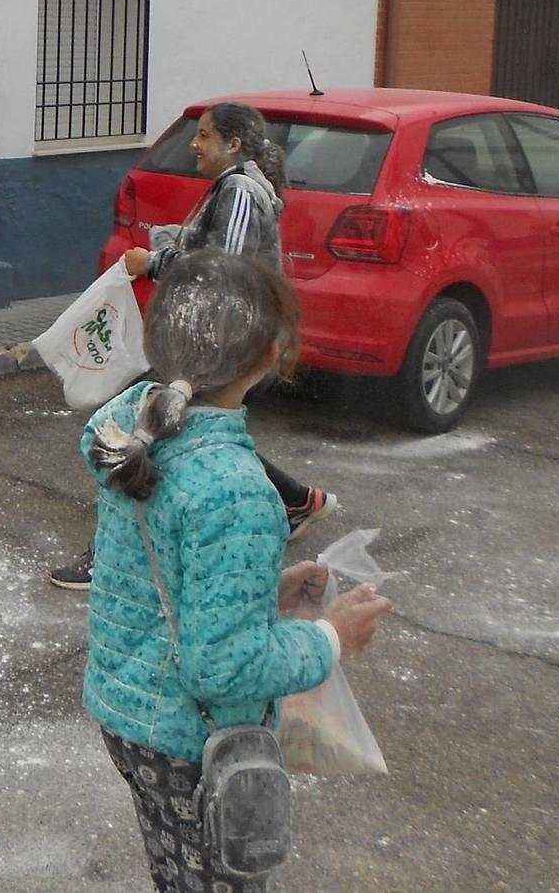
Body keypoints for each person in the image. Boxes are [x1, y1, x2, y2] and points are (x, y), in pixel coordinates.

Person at [82, 251, 392, 891]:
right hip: (189, 742)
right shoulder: (237, 490)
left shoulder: (136, 428)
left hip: (128, 714)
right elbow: (222, 668)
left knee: (178, 872)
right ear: (271, 354)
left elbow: (158, 572)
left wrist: (262, 593)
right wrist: (331, 636)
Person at [49, 102, 336, 590]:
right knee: (193, 428)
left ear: (234, 145)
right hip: (215, 340)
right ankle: (295, 499)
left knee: (147, 427)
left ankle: (111, 557)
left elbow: (225, 265)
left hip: (230, 345)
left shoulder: (242, 188)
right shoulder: (229, 187)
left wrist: (156, 262)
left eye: (204, 136)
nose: (194, 145)